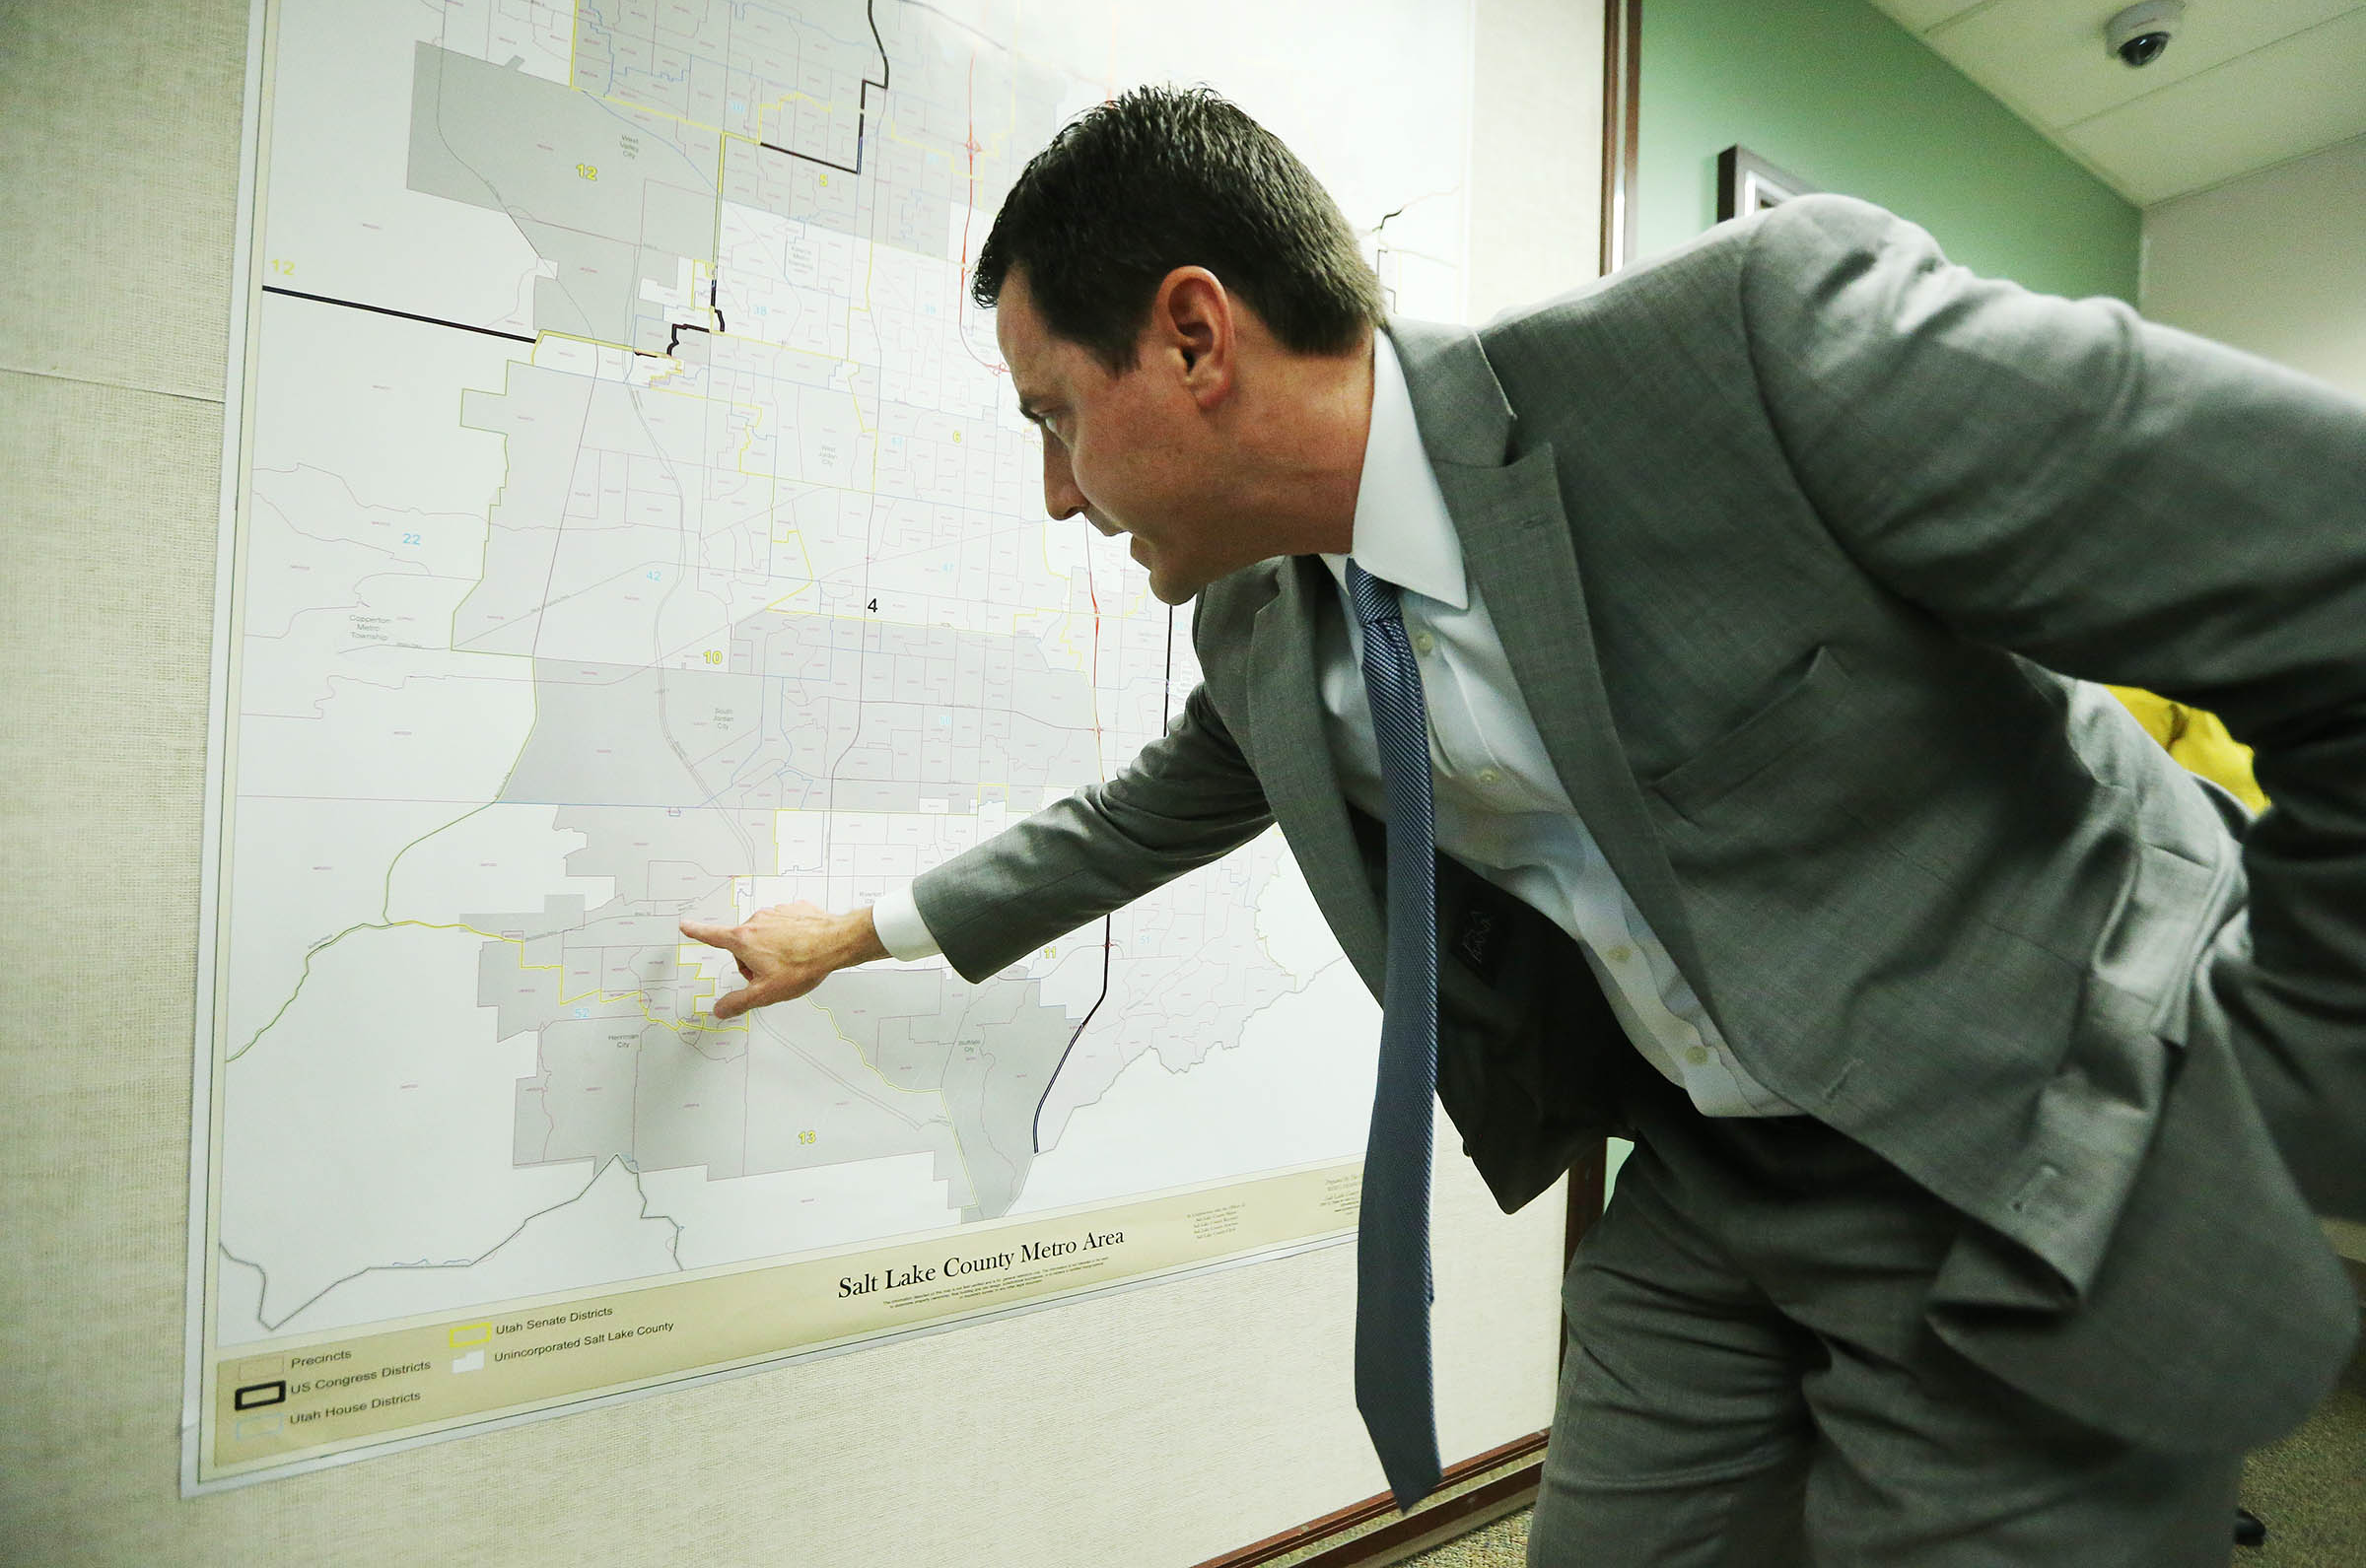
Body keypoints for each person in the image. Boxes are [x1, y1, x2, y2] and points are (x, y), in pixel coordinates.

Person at [681, 87, 2366, 1565]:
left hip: (2026, 1139)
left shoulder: (1747, 351)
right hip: (1714, 1181)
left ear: (1195, 338)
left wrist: (2272, 1099)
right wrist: (852, 935)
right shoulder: (1264, 630)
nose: (1058, 490)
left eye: (1053, 414)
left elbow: (2336, 573)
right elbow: (1130, 822)